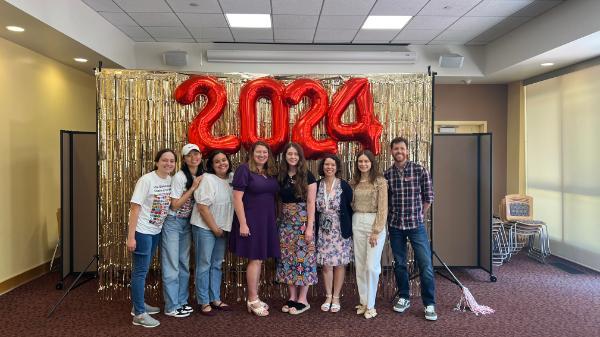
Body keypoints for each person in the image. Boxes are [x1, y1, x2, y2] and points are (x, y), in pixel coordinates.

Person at [384, 137, 437, 321]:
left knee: (425, 265)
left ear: (407, 151)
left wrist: (420, 215)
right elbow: (386, 202)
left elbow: (428, 197)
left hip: (416, 226)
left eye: (402, 148)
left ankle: (429, 304)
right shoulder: (387, 174)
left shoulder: (420, 170)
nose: (399, 151)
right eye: (396, 149)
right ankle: (404, 297)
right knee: (400, 264)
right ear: (391, 151)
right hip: (395, 226)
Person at [229, 141, 280, 317]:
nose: (262, 155)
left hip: (266, 221)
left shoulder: (269, 172)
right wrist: (243, 223)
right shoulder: (244, 170)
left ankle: (254, 297)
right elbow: (237, 198)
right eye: (258, 152)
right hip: (251, 220)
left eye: (265, 152)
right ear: (252, 154)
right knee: (255, 259)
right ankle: (252, 299)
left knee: (259, 259)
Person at [127, 149, 176, 328]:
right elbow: (134, 207)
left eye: (172, 161)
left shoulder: (170, 179)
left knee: (145, 269)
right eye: (164, 160)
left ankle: (138, 305)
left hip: (156, 231)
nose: (168, 164)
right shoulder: (146, 180)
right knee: (140, 272)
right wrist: (131, 237)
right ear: (157, 162)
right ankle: (139, 314)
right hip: (142, 231)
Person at [161, 144, 202, 318]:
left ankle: (181, 301)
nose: (194, 158)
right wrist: (192, 188)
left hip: (187, 224)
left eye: (197, 154)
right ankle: (171, 306)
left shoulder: (200, 175)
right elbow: (175, 204)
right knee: (172, 264)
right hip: (173, 222)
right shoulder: (179, 177)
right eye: (190, 155)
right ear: (184, 159)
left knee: (184, 264)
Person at [191, 150, 234, 316]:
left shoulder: (231, 178)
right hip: (205, 227)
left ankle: (215, 298)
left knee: (216, 264)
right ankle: (203, 301)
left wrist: (220, 229)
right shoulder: (207, 179)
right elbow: (202, 207)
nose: (222, 163)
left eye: (224, 160)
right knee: (204, 264)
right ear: (211, 165)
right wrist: (214, 228)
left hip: (222, 228)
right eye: (217, 161)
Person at [276, 143, 317, 315]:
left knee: (304, 259)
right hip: (285, 223)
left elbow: (310, 203)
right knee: (287, 260)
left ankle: (303, 299)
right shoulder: (281, 176)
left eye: (295, 154)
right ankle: (292, 296)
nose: (292, 157)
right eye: (289, 154)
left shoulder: (308, 176)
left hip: (302, 221)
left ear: (300, 157)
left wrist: (309, 227)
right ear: (285, 156)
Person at [350, 150, 388, 319]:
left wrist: (376, 230)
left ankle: (371, 305)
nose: (363, 164)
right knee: (360, 265)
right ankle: (364, 301)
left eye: (366, 161)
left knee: (372, 267)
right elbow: (351, 204)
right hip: (357, 221)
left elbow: (383, 207)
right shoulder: (354, 182)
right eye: (360, 161)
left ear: (372, 163)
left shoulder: (380, 181)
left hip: (374, 223)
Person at [315, 154, 353, 313]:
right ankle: (328, 296)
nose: (329, 167)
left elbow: (349, 206)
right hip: (323, 230)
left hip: (339, 228)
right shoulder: (317, 185)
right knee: (326, 265)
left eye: (332, 165)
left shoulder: (344, 185)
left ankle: (336, 297)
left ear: (337, 167)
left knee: (340, 264)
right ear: (322, 167)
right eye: (326, 164)